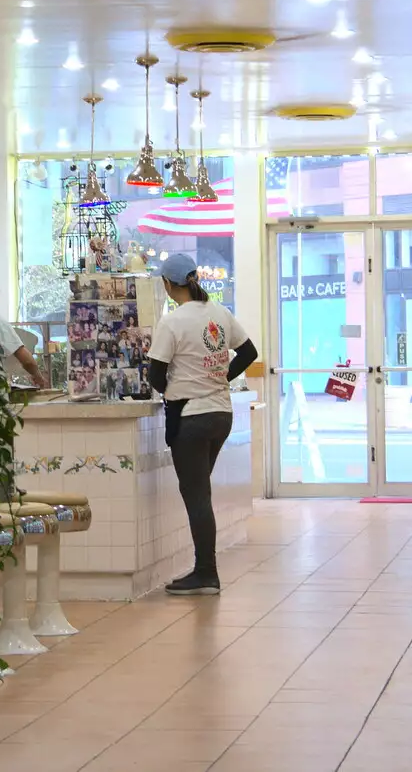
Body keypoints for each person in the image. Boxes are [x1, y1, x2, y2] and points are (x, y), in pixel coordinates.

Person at [147, 253, 259, 596]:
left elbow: (155, 374)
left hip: (191, 417)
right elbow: (249, 352)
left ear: (168, 284)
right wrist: (220, 377)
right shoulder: (218, 312)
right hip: (221, 414)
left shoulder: (172, 321)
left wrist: (177, 389)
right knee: (199, 492)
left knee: (196, 495)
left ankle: (206, 572)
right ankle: (204, 569)